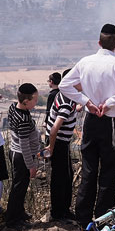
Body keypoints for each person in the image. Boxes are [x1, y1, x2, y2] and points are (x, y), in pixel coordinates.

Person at [59, 23, 115, 229]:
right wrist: (107, 103)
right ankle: (103, 222)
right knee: (108, 172)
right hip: (109, 120)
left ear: (99, 42)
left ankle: (83, 220)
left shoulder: (85, 62)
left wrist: (86, 102)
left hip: (90, 119)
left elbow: (64, 84)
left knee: (89, 170)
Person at [44, 69, 78, 222]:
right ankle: (59, 212)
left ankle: (62, 210)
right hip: (58, 143)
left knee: (64, 176)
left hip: (60, 143)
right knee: (61, 178)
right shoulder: (67, 100)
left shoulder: (65, 94)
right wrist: (51, 148)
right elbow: (54, 130)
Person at [6, 83, 41, 229]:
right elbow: (25, 145)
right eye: (35, 100)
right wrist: (31, 166)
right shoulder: (24, 120)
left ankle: (19, 212)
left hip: (16, 152)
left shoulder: (14, 107)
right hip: (22, 156)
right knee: (18, 188)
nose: (36, 102)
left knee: (20, 185)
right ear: (26, 102)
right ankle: (12, 220)